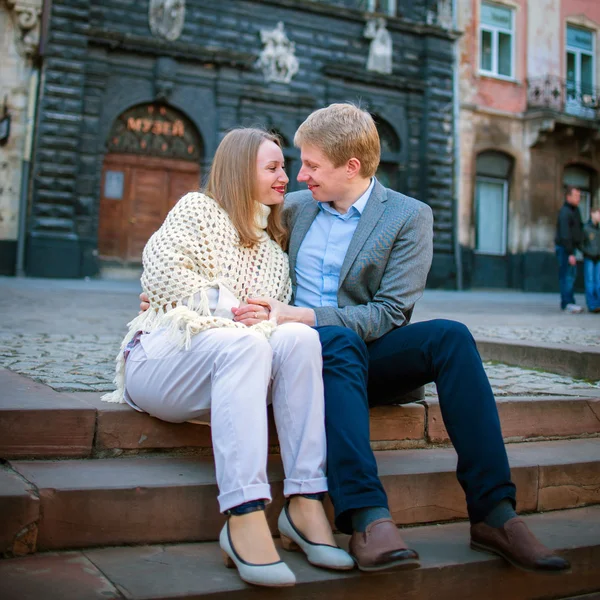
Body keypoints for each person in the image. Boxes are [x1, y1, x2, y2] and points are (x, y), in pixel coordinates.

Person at [141, 105, 571, 575]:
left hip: (364, 354)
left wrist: (304, 315)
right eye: (296, 164)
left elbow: (389, 313)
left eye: (311, 165)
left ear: (352, 167)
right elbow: (227, 248)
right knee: (332, 343)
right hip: (299, 354)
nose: (299, 175)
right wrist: (171, 297)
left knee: (451, 337)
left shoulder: (409, 217)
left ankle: (495, 514)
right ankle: (367, 517)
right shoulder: (294, 208)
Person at [105, 128, 354, 588]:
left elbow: (267, 323)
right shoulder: (196, 209)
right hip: (163, 361)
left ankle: (304, 501)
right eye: (274, 167)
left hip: (232, 368)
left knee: (299, 339)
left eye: (285, 167)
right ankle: (242, 513)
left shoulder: (273, 251)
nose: (287, 177)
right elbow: (163, 275)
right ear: (242, 171)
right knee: (248, 342)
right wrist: (231, 310)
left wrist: (251, 319)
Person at [555, 186, 584, 314]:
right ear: (568, 197)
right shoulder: (565, 212)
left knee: (570, 275)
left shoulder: (575, 211)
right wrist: (570, 253)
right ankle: (567, 303)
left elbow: (578, 230)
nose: (579, 198)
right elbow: (565, 234)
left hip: (572, 248)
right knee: (567, 276)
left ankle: (570, 301)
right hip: (566, 249)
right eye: (576, 196)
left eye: (579, 196)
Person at [583, 206, 600, 313]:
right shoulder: (586, 228)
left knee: (598, 282)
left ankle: (598, 304)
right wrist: (588, 252)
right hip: (589, 257)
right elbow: (581, 243)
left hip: (598, 258)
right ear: (592, 214)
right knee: (590, 281)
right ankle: (592, 305)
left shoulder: (598, 229)